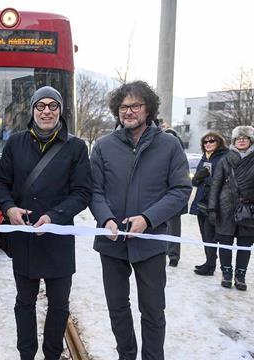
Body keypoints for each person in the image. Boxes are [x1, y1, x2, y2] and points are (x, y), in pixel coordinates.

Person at [89, 81, 191, 360]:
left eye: (136, 105)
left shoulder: (169, 145)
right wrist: (105, 219)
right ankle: (126, 355)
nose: (129, 111)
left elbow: (181, 190)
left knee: (153, 310)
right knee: (117, 308)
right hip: (111, 242)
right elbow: (94, 190)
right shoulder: (103, 146)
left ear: (149, 109)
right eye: (124, 107)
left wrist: (148, 219)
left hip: (151, 242)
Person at [0, 86, 92, 360]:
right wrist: (9, 208)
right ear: (33, 110)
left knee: (59, 304)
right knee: (24, 302)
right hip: (24, 238)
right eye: (41, 106)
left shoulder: (75, 147)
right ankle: (26, 354)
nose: (46, 111)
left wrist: (55, 216)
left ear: (60, 111)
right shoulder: (15, 143)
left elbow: (82, 192)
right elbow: (2, 184)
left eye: (53, 106)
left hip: (58, 239)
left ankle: (52, 354)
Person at [208, 126, 254, 291]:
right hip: (225, 207)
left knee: (244, 244)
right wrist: (212, 209)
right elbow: (215, 185)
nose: (241, 140)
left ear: (250, 140)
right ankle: (226, 274)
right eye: (238, 138)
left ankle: (240, 276)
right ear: (234, 141)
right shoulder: (225, 159)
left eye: (245, 138)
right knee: (225, 242)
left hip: (249, 207)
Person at [190, 131, 228, 276]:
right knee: (204, 235)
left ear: (219, 142)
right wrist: (199, 177)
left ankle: (211, 265)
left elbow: (223, 182)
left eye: (212, 141)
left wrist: (205, 178)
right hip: (201, 201)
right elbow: (195, 181)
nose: (208, 144)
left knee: (210, 234)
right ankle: (209, 261)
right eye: (205, 142)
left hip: (214, 203)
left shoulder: (224, 157)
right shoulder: (204, 157)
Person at [162, 127, 187, 267]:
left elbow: (183, 184)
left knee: (174, 228)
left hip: (173, 199)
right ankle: (164, 250)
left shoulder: (179, 158)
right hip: (158, 199)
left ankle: (173, 255)